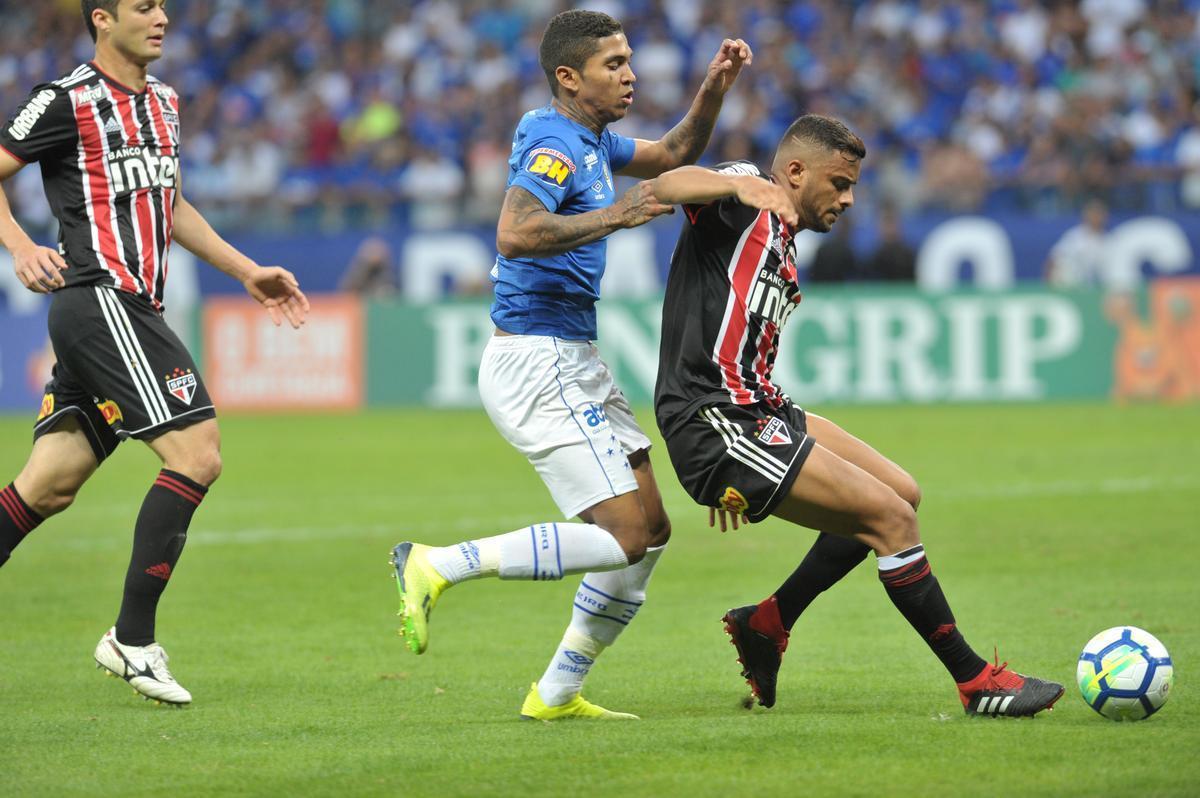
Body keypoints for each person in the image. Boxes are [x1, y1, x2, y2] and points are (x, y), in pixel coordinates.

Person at [390, 10, 751, 720]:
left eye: (628, 61)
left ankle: (556, 692)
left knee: (650, 532)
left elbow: (675, 151)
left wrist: (714, 86)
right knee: (623, 537)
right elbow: (517, 232)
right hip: (537, 358)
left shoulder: (591, 139)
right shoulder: (557, 143)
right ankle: (434, 563)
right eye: (613, 64)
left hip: (570, 354)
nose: (630, 74)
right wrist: (617, 215)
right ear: (569, 77)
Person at [648, 114, 1064, 717]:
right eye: (839, 183)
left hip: (759, 408)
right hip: (715, 419)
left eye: (852, 187)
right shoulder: (743, 193)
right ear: (793, 171)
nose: (847, 199)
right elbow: (665, 185)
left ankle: (768, 622)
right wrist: (739, 185)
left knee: (902, 492)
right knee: (891, 523)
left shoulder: (783, 238)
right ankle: (976, 682)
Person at [0, 0, 309, 706]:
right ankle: (132, 640)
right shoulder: (66, 100)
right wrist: (19, 246)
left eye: (164, 5)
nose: (162, 16)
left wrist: (245, 270)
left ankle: (131, 639)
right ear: (103, 19)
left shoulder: (164, 102)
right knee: (198, 454)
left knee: (48, 483)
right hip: (101, 300)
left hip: (127, 306)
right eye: (144, 6)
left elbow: (167, 204)